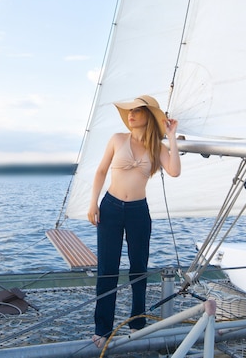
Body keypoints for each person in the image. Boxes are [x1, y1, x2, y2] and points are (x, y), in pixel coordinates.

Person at [88, 95, 181, 348]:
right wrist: (93, 202)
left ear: (148, 117)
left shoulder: (157, 148)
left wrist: (171, 135)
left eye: (138, 111)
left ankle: (137, 324)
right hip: (110, 207)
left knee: (138, 269)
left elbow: (174, 171)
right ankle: (102, 328)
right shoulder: (118, 139)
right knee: (107, 269)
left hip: (138, 211)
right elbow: (100, 171)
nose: (131, 114)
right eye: (130, 111)